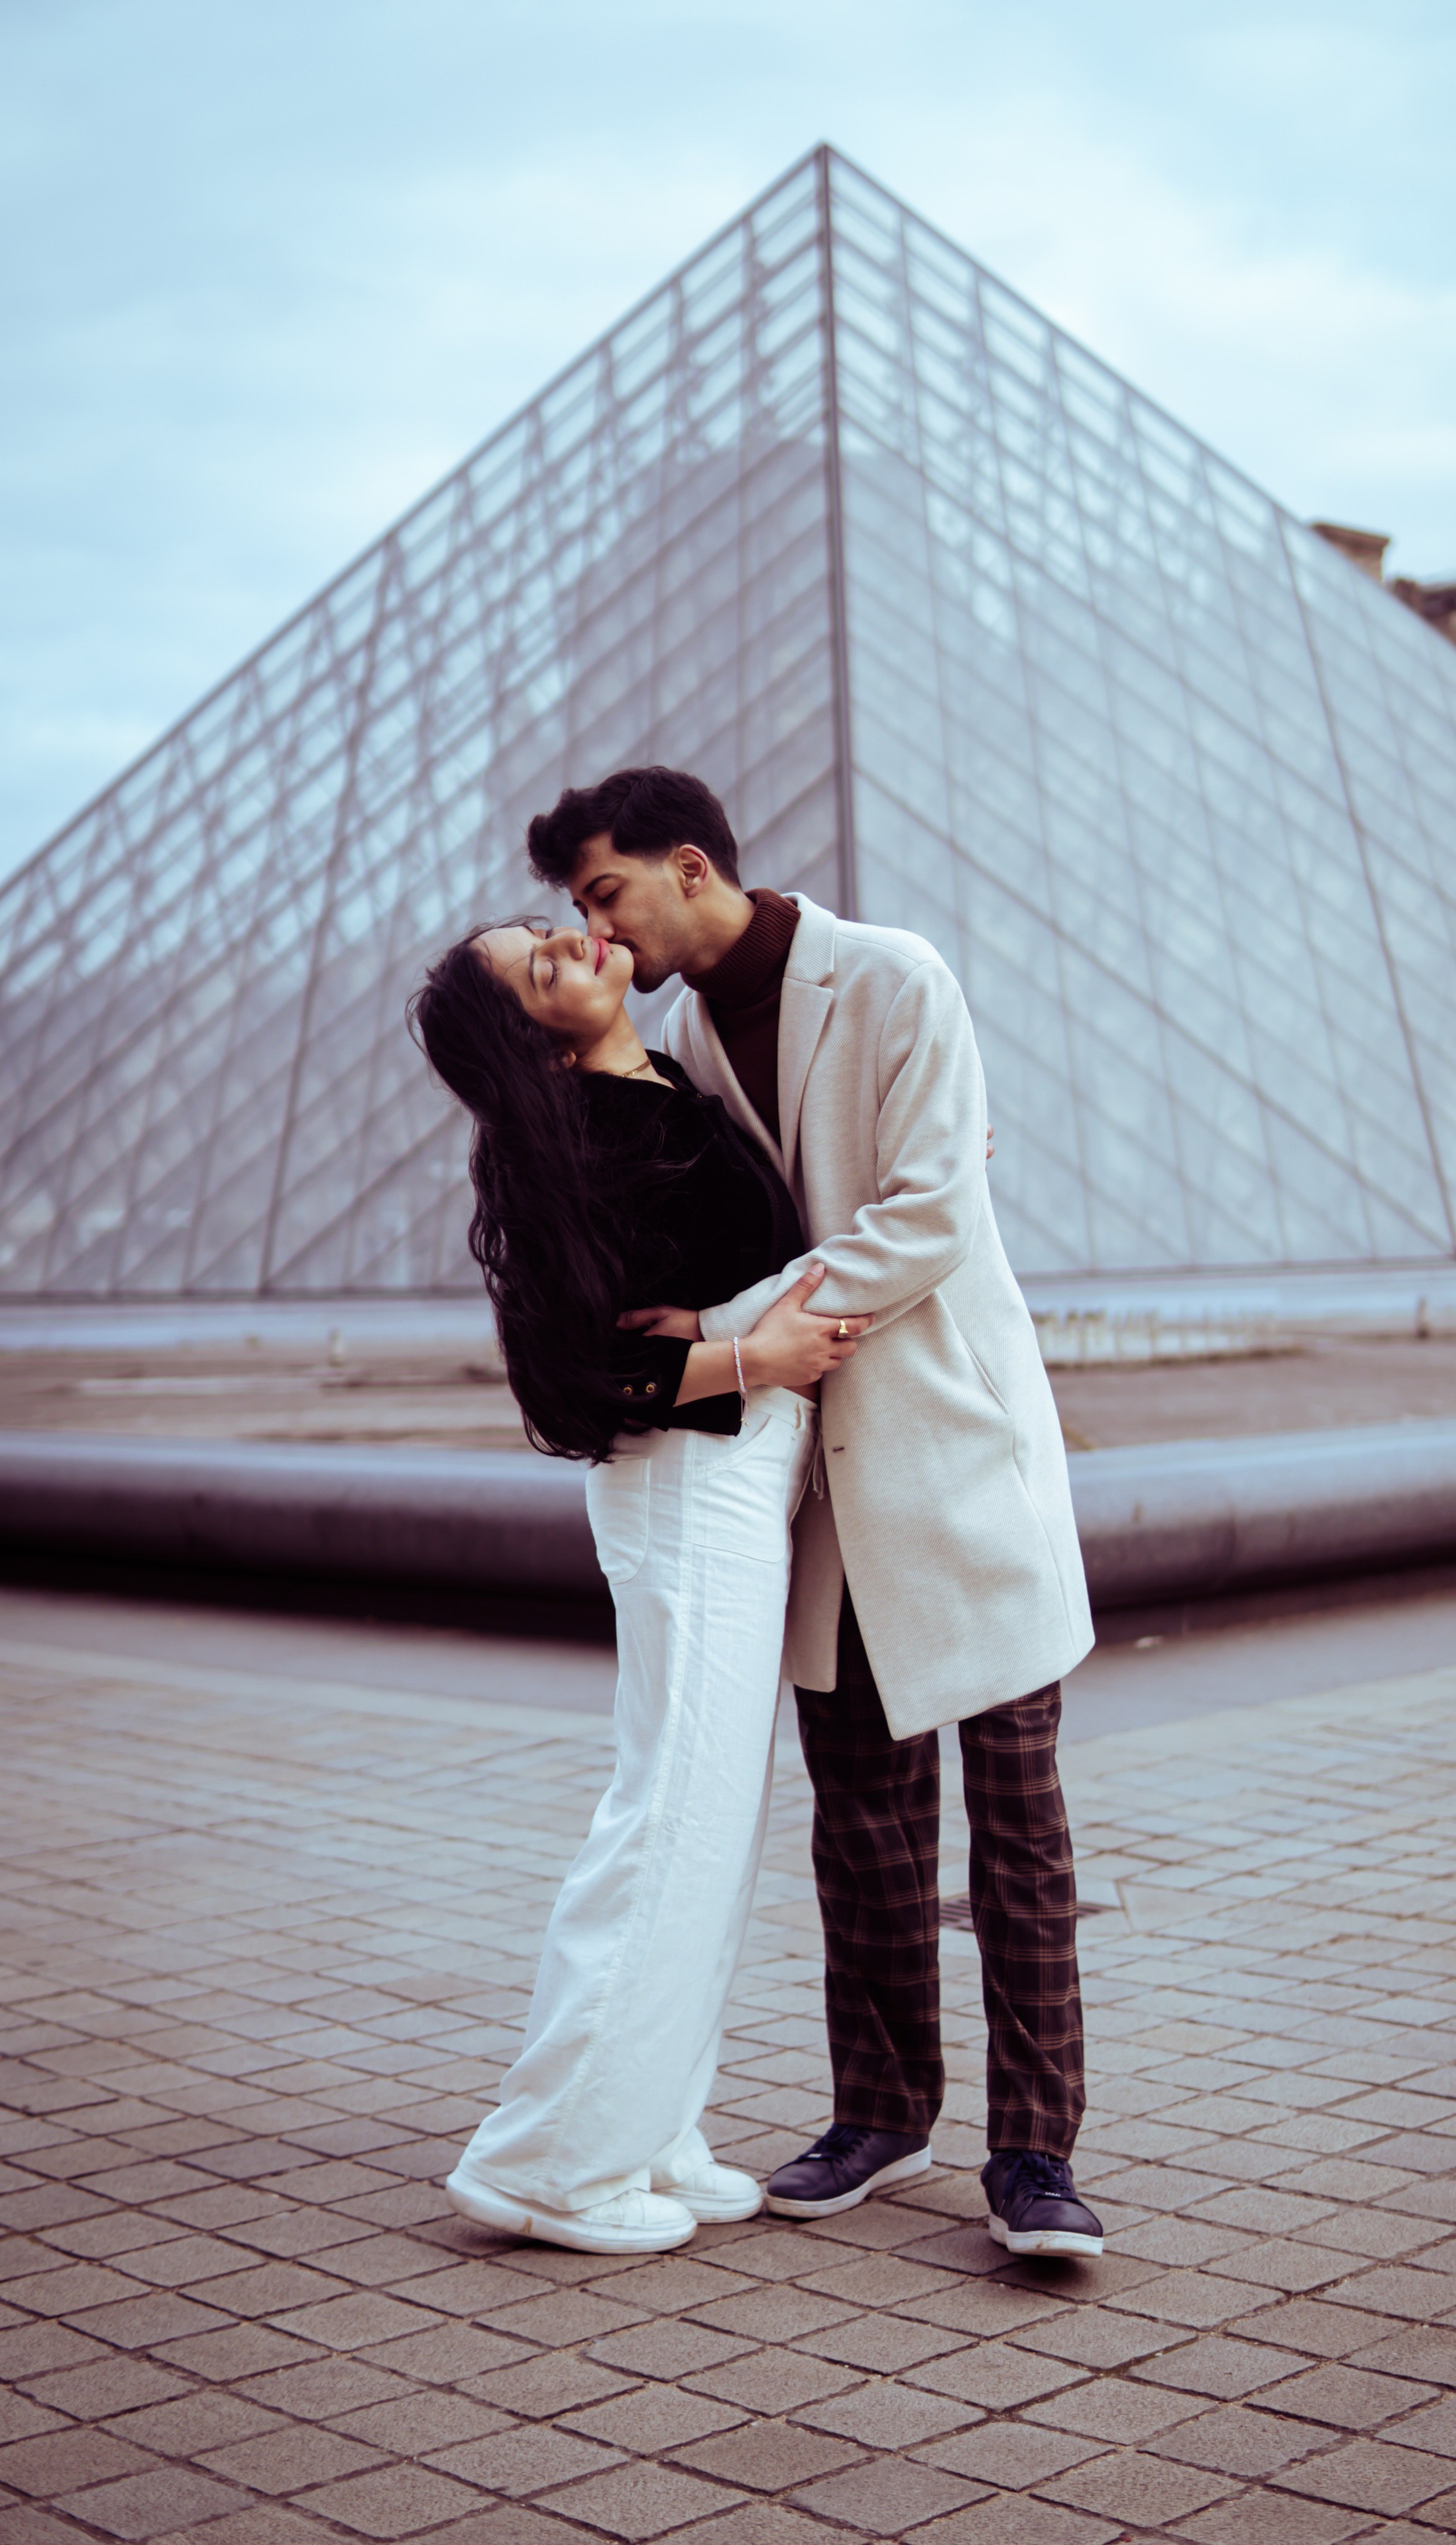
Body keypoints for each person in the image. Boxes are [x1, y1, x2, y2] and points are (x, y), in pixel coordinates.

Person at [528, 764, 1106, 2259]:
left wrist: (733, 1328)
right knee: (860, 1825)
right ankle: (880, 2112)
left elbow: (927, 1214)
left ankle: (1034, 2157)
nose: (593, 927)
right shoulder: (674, 1040)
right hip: (809, 1485)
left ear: (689, 866)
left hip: (947, 1451)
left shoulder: (892, 976)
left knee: (1019, 1825)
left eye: (602, 893)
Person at [410, 910, 868, 2255]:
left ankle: (652, 2124)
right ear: (531, 1047)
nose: (578, 945)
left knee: (710, 1826)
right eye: (541, 967)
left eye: (554, 933)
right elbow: (572, 1381)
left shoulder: (666, 1082)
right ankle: (549, 2160)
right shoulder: (573, 1144)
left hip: (732, 1485)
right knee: (670, 1817)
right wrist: (753, 1360)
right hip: (686, 1490)